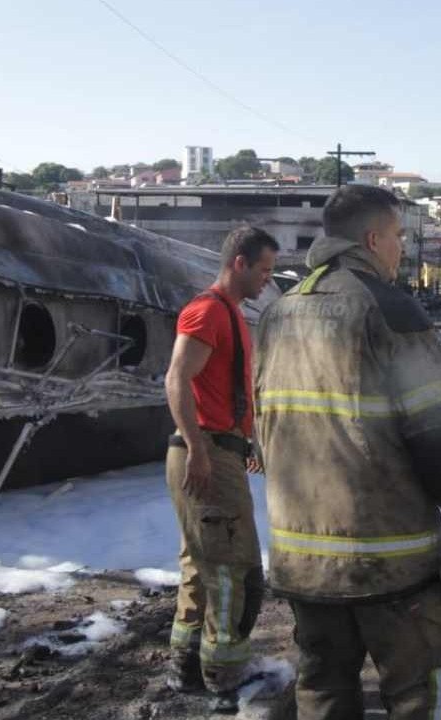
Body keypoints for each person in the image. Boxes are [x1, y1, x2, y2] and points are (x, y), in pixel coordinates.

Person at [254, 185, 441, 720]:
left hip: (303, 566)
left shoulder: (280, 314)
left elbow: (268, 428)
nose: (400, 247)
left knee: (323, 694)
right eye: (397, 236)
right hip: (391, 569)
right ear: (373, 240)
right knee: (427, 693)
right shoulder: (390, 310)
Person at [164, 225, 278, 712]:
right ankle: (224, 669)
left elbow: (222, 387)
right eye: (264, 270)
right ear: (239, 262)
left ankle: (187, 663)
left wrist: (244, 439)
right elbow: (176, 378)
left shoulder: (230, 314)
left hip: (219, 445)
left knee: (201, 562)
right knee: (235, 568)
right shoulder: (208, 311)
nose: (266, 281)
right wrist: (200, 447)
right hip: (206, 449)